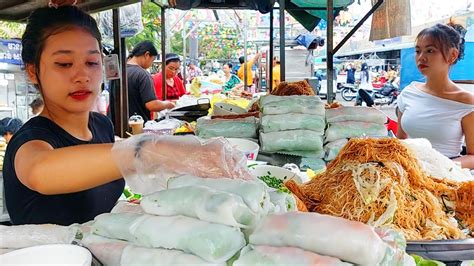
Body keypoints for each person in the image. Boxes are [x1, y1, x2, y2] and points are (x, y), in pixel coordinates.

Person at [3, 5, 251, 226]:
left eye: (91, 62)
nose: (82, 76)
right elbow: (40, 171)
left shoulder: (100, 125)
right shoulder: (29, 142)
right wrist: (153, 149)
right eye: (64, 64)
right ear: (33, 71)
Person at [397, 22, 473, 169]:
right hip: (408, 176)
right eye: (418, 51)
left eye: (430, 51)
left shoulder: (466, 101)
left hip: (446, 180)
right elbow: (400, 142)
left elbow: (472, 156)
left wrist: (441, 167)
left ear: (452, 55)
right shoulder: (408, 93)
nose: (421, 57)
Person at [127, 41, 174, 122]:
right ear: (147, 55)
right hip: (137, 126)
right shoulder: (143, 74)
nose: (151, 64)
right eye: (152, 60)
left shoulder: (119, 71)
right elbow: (152, 105)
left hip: (116, 125)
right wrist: (168, 104)